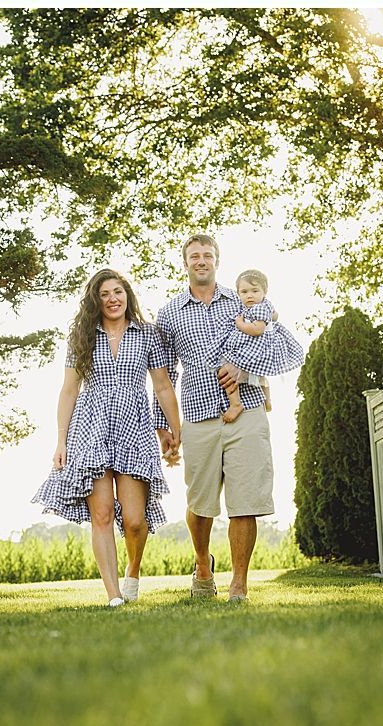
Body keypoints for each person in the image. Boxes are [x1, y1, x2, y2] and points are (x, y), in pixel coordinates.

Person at [32, 269, 182, 607]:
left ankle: (134, 569)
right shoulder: (82, 337)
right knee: (101, 515)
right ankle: (114, 595)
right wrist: (61, 441)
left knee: (134, 519)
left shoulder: (147, 334)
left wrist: (175, 430)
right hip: (91, 429)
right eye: (104, 294)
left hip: (135, 428)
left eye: (118, 292)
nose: (112, 299)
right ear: (95, 301)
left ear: (127, 295)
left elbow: (162, 386)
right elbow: (69, 391)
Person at [154, 234, 276, 603]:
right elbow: (163, 375)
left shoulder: (242, 300)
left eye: (208, 255)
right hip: (197, 416)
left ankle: (239, 584)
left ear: (217, 261)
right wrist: (167, 428)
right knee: (200, 503)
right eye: (195, 255)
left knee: (245, 501)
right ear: (186, 262)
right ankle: (202, 564)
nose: (201, 260)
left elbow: (269, 340)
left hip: (246, 410)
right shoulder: (169, 312)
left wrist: (244, 368)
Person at [207, 269, 305, 422]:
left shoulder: (259, 308)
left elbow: (257, 330)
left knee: (226, 370)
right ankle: (267, 399)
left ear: (264, 292)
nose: (249, 295)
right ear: (238, 294)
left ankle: (235, 403)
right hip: (255, 347)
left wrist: (239, 324)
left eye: (255, 291)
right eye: (244, 292)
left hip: (254, 345)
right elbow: (275, 315)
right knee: (259, 372)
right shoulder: (259, 306)